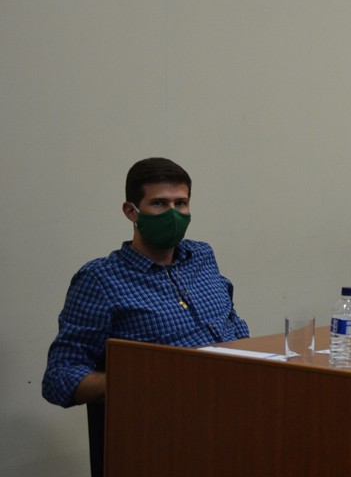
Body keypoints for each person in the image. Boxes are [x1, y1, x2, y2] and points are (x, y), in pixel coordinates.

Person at [42, 158, 249, 408]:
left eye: (180, 203)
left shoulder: (201, 256)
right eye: (159, 203)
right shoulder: (101, 279)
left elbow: (230, 321)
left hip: (238, 394)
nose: (173, 213)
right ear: (131, 211)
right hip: (171, 411)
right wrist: (137, 378)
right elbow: (58, 377)